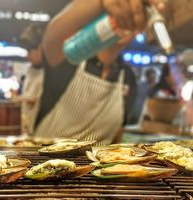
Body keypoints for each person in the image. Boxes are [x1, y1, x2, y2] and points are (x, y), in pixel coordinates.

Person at [34, 0, 164, 144]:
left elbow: (117, 136)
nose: (121, 24)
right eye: (115, 17)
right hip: (46, 158)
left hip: (98, 163)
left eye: (127, 21)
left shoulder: (128, 77)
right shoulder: (72, 58)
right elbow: (53, 35)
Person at [19, 24, 46, 134]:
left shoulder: (53, 71)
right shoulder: (31, 70)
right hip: (28, 130)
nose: (27, 56)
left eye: (30, 50)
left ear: (42, 46)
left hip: (43, 131)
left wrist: (26, 99)